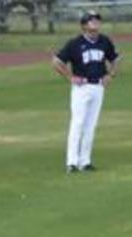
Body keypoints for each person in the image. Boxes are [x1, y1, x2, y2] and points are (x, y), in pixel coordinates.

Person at [53, 11, 119, 173]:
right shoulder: (75, 43)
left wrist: (111, 74)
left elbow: (116, 59)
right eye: (91, 21)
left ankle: (85, 161)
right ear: (84, 25)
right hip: (81, 88)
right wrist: (70, 77)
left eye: (97, 20)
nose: (95, 23)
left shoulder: (104, 41)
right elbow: (56, 62)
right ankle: (72, 162)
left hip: (98, 87)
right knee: (78, 123)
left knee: (91, 125)